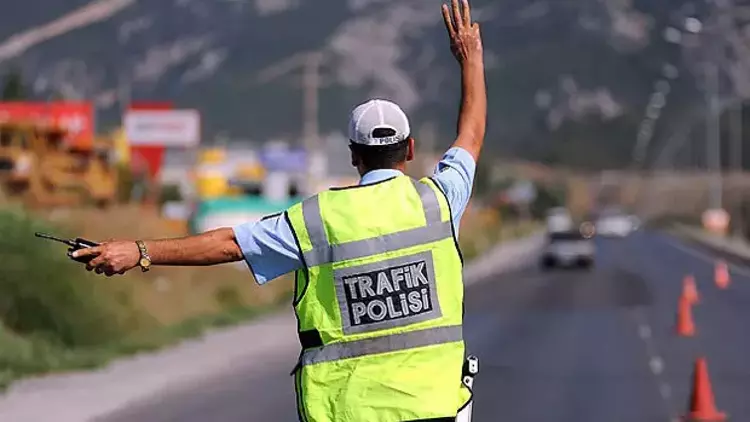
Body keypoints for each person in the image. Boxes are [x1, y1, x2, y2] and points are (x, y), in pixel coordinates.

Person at [73, 0, 485, 420]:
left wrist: (138, 251)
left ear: (352, 156)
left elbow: (229, 245)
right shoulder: (438, 202)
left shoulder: (316, 219)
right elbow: (470, 136)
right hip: (434, 409)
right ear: (411, 150)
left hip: (347, 412)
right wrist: (470, 59)